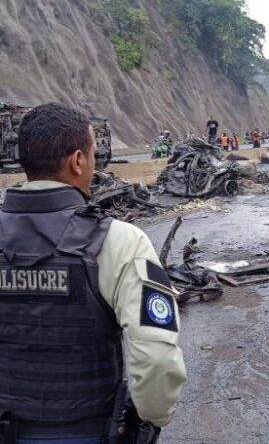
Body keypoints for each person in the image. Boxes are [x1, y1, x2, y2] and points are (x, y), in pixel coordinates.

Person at [0, 103, 187, 444]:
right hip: (90, 431)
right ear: (77, 161)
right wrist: (150, 419)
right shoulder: (119, 241)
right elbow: (156, 357)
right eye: (93, 154)